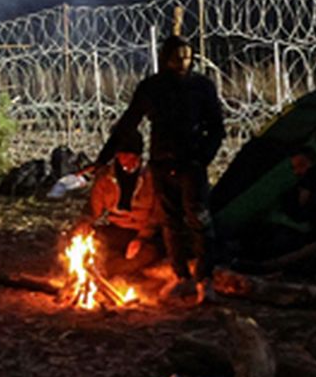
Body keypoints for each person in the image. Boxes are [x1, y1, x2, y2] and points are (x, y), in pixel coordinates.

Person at [96, 35, 225, 300]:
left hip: (191, 162)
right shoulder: (153, 87)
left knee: (199, 219)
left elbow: (216, 128)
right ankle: (182, 277)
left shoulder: (201, 87)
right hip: (162, 162)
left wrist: (203, 157)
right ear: (166, 57)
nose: (183, 62)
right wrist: (103, 157)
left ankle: (205, 279)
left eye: (187, 57)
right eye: (177, 56)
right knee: (171, 221)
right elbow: (129, 122)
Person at [79, 128, 164, 275]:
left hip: (143, 233)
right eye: (124, 156)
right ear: (117, 156)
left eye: (133, 157)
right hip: (118, 228)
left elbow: (157, 215)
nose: (129, 162)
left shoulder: (152, 178)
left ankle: (115, 272)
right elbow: (93, 209)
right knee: (93, 245)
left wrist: (141, 238)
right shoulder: (106, 178)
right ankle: (106, 269)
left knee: (146, 255)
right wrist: (84, 224)